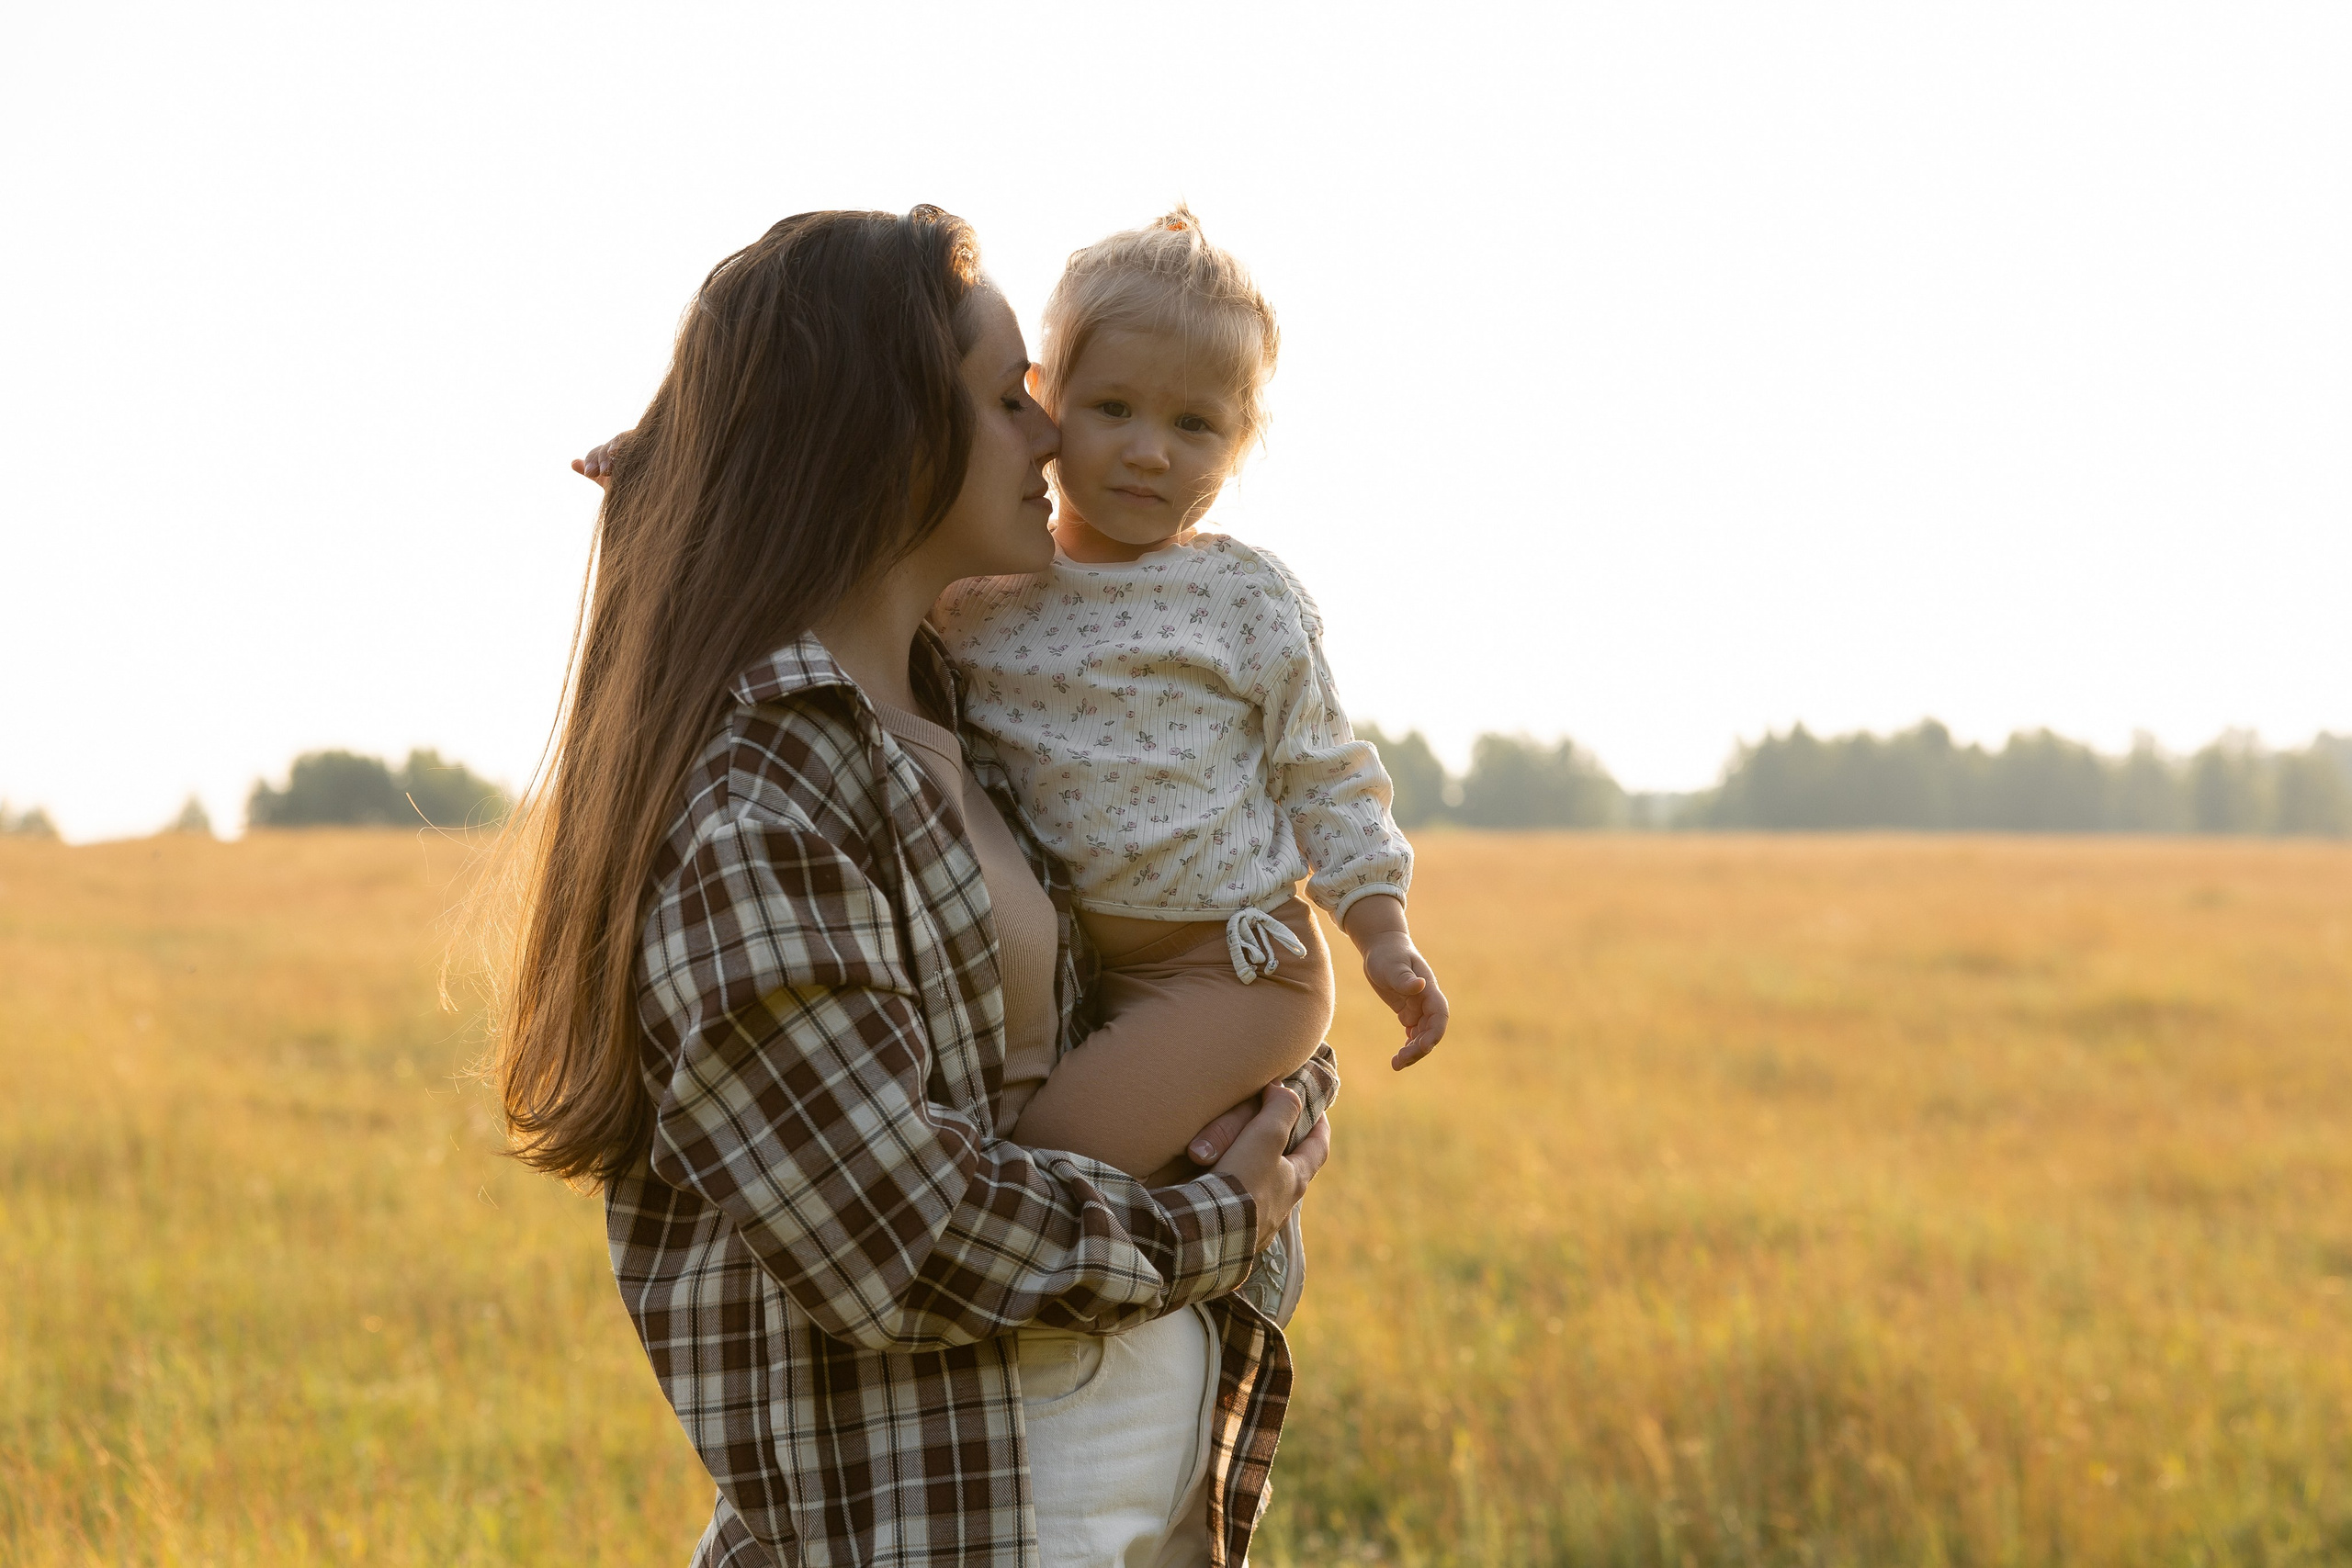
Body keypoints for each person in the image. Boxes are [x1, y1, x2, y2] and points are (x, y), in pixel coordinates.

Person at [500, 207, 1331, 1568]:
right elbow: (895, 1235)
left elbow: (1160, 1006)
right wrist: (1221, 1219)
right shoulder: (762, 794)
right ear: (885, 435)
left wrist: (1280, 1093)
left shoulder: (967, 723)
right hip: (956, 1521)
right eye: (1013, 400)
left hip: (1107, 1510)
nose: (1056, 436)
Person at [933, 209, 1448, 1229]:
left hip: (1230, 972)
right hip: (1080, 970)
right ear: (1044, 403)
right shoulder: (980, 587)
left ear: (1240, 442)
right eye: (1113, 407)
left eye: (1193, 426)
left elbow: (1324, 771)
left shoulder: (1239, 597)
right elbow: (830, 504)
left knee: (1033, 1176)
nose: (1147, 453)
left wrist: (1381, 930)